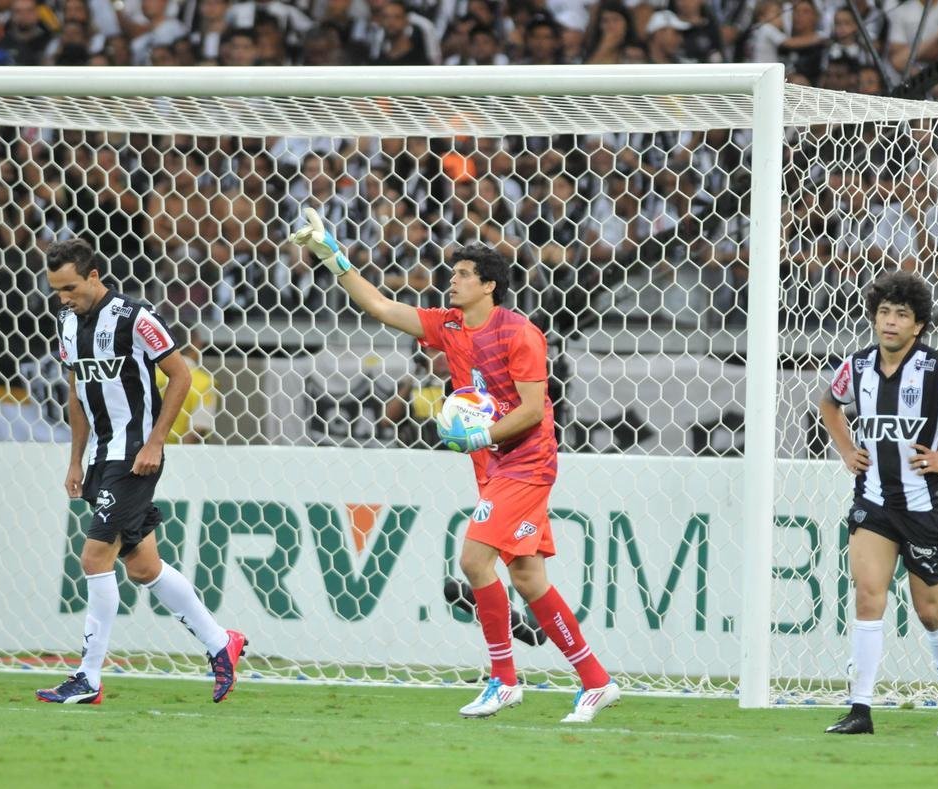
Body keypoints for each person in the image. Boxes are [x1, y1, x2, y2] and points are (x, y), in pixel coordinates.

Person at [288, 208, 620, 723]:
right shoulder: (449, 326)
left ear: (489, 286)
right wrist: (332, 256)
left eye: (464, 274)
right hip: (492, 465)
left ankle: (503, 680)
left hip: (527, 462)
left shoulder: (520, 335)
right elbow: (379, 305)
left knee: (472, 561)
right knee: (529, 579)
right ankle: (596, 681)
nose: (453, 280)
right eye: (454, 272)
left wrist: (481, 434)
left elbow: (534, 410)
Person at [36, 239, 246, 705]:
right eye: (56, 290)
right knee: (143, 567)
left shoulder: (136, 318)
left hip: (134, 456)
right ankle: (220, 642)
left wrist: (156, 441)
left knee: (94, 559)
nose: (63, 297)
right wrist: (75, 458)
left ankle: (88, 678)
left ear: (93, 276)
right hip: (101, 459)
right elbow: (77, 390)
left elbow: (182, 375)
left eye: (69, 287)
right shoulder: (67, 322)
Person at [817, 271, 938, 736]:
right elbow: (828, 403)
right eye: (884, 312)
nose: (889, 322)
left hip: (925, 507)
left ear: (918, 325)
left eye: (901, 315)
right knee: (868, 595)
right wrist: (847, 449)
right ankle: (860, 709)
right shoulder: (857, 366)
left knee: (928, 611)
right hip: (873, 502)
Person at [156, 325, 219, 444]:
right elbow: (198, 428)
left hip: (144, 452)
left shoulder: (152, 376)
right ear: (196, 344)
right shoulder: (204, 383)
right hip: (180, 453)